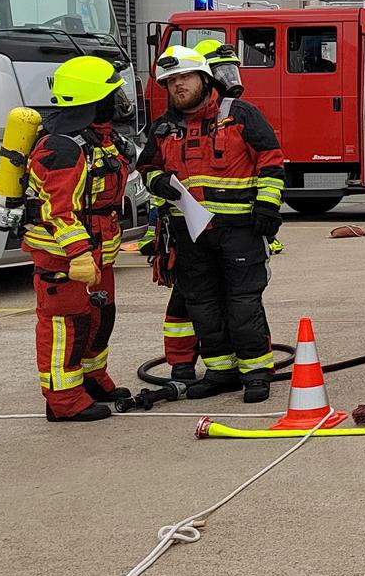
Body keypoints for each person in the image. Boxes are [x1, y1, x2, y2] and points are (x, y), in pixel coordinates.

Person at [136, 47, 286, 403]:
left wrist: (268, 207)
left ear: (204, 79)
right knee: (203, 305)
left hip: (240, 230)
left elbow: (271, 160)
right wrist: (157, 180)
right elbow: (147, 167)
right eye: (170, 81)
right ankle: (221, 371)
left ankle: (256, 373)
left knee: (243, 304)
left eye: (184, 77)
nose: (177, 86)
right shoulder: (164, 127)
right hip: (190, 232)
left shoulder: (240, 114)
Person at [25, 54, 132, 423]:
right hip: (65, 260)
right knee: (66, 326)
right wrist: (78, 253)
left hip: (99, 254)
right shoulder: (62, 147)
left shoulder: (100, 140)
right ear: (94, 100)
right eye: (113, 95)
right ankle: (64, 400)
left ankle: (92, 379)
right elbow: (58, 209)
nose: (120, 101)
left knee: (100, 318)